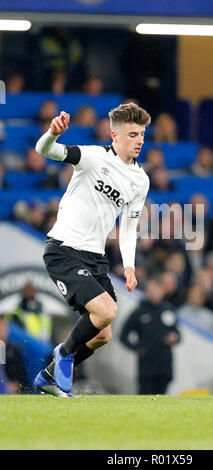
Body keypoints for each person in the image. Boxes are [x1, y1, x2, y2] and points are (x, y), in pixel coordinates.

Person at [33, 102, 151, 397]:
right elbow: (45, 151)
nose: (139, 141)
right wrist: (52, 133)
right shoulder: (93, 157)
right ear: (115, 136)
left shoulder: (140, 180)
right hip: (64, 249)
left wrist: (129, 265)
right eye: (133, 135)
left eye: (142, 135)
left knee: (102, 334)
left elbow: (129, 225)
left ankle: (49, 375)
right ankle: (62, 357)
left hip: (95, 258)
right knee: (107, 311)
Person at [120, 279, 180, 395]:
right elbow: (123, 336)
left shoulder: (169, 310)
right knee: (144, 398)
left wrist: (174, 337)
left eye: (157, 290)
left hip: (165, 364)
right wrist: (137, 348)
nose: (154, 293)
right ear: (147, 292)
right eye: (151, 290)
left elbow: (178, 334)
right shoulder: (139, 312)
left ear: (163, 291)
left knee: (162, 399)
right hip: (146, 365)